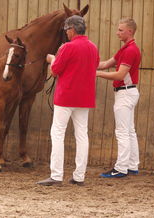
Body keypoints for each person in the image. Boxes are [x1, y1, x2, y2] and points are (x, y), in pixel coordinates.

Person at [37, 15, 99, 186]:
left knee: (57, 134)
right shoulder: (93, 47)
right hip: (85, 97)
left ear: (72, 29)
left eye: (66, 30)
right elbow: (94, 66)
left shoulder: (67, 47)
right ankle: (79, 176)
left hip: (66, 96)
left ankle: (56, 175)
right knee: (82, 135)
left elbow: (55, 71)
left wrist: (52, 59)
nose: (66, 33)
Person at [96, 18, 141, 178]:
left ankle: (121, 168)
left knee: (122, 132)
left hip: (125, 92)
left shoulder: (130, 50)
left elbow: (120, 74)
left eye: (121, 30)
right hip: (128, 92)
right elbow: (107, 63)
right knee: (129, 131)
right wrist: (88, 63)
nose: (117, 33)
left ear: (130, 31)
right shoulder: (125, 49)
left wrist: (97, 74)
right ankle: (132, 165)